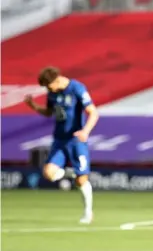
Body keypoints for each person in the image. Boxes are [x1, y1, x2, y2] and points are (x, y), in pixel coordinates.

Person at [24, 67, 99, 224]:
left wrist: (85, 131)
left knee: (81, 182)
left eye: (48, 85)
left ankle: (88, 213)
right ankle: (73, 174)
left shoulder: (77, 88)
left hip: (77, 140)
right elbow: (49, 112)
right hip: (59, 140)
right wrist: (34, 106)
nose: (47, 89)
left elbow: (93, 112)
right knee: (48, 173)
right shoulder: (52, 93)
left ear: (56, 80)